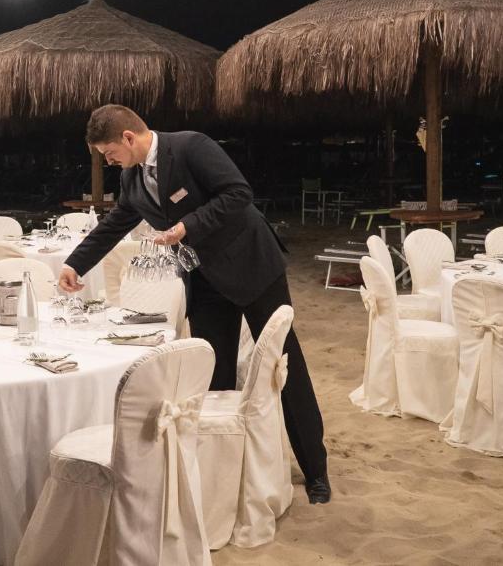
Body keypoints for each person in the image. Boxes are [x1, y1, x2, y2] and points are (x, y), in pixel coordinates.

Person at [59, 104, 331, 504]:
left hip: (252, 264)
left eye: (108, 152)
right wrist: (74, 263)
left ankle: (316, 470)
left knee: (281, 364)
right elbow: (114, 225)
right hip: (204, 279)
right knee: (212, 371)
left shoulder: (191, 147)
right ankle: (222, 471)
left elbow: (239, 193)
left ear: (129, 138)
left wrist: (189, 226)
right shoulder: (133, 179)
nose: (108, 160)